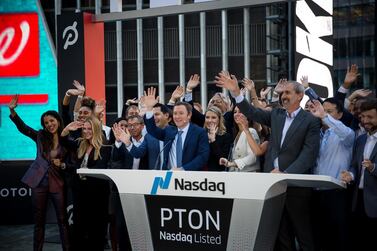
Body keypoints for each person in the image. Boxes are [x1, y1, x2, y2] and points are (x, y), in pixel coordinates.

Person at [215, 73, 320, 251]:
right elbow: (251, 112)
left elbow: (308, 154)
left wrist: (285, 174)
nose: (283, 96)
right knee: (281, 235)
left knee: (304, 235)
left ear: (300, 95)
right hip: (272, 186)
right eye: (282, 93)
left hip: (296, 187)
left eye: (288, 92)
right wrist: (236, 93)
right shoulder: (276, 114)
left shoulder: (310, 120)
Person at [8, 95, 70, 251]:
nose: (49, 124)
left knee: (63, 221)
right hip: (39, 183)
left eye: (52, 120)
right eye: (46, 122)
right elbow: (24, 129)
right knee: (39, 222)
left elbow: (71, 161)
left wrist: (62, 164)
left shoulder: (66, 138)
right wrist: (12, 111)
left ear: (58, 120)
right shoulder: (41, 136)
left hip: (57, 183)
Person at [309, 98, 355, 251]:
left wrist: (324, 116)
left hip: (337, 194)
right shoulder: (315, 134)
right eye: (323, 110)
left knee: (339, 239)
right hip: (315, 194)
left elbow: (343, 131)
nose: (323, 114)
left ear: (340, 114)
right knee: (318, 238)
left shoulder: (346, 135)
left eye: (329, 112)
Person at [62, 116, 111, 251]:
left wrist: (83, 170)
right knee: (79, 227)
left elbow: (100, 168)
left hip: (97, 194)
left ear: (95, 129)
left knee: (96, 229)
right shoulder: (80, 143)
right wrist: (67, 129)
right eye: (84, 129)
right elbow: (63, 141)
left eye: (89, 129)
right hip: (80, 193)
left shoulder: (105, 147)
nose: (86, 131)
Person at [143, 87, 209, 171]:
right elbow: (152, 130)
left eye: (181, 113)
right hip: (168, 177)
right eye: (175, 113)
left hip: (190, 179)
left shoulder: (199, 132)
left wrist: (183, 169)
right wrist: (149, 109)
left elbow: (203, 157)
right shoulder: (169, 131)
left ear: (189, 115)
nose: (177, 117)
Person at [341, 98, 377, 251]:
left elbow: (370, 168)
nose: (365, 120)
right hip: (358, 201)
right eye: (363, 117)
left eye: (370, 117)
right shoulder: (361, 139)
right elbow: (355, 166)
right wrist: (350, 174)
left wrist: (373, 167)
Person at [219, 107, 261, 172]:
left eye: (240, 111)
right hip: (236, 176)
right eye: (235, 112)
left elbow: (253, 157)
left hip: (248, 176)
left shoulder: (251, 131)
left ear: (248, 115)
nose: (237, 114)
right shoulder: (236, 133)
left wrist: (232, 164)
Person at [203, 106, 232, 171]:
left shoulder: (226, 136)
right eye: (207, 117)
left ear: (219, 119)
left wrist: (213, 141)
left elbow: (222, 161)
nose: (210, 120)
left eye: (213, 117)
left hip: (217, 176)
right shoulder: (200, 134)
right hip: (198, 174)